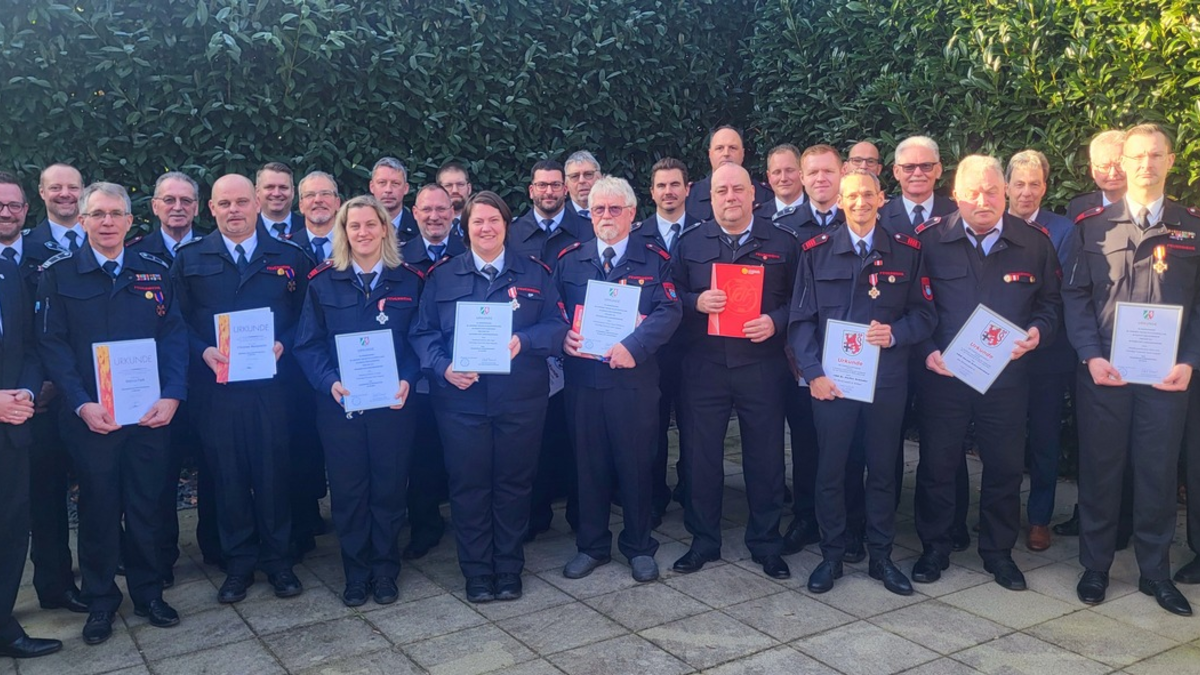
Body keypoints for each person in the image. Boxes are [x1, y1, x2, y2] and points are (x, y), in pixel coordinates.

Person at [36, 182, 188, 644]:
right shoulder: (59, 275)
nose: (106, 222)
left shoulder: (155, 270)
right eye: (97, 214)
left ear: (129, 221)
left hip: (148, 415)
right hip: (92, 419)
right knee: (99, 510)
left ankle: (148, 593)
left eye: (115, 214)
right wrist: (81, 403)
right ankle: (101, 601)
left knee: (147, 506)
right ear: (82, 221)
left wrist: (173, 394)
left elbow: (175, 336)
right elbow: (53, 345)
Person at [1064, 123, 1200, 616]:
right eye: (1138, 156)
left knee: (1158, 475)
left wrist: (1190, 361)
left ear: (1170, 161)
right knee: (1100, 472)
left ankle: (1155, 573)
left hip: (1167, 380)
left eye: (1155, 155)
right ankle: (1095, 567)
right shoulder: (1093, 226)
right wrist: (1090, 355)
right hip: (1105, 374)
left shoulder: (1192, 226)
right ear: (1123, 164)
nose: (1146, 164)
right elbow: (1075, 297)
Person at [912, 155, 1061, 592]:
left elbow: (1051, 304)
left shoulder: (1034, 243)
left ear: (1006, 193)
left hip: (1006, 380)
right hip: (944, 377)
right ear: (955, 195)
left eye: (992, 191)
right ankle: (935, 546)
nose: (983, 200)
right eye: (973, 192)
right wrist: (926, 351)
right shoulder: (928, 241)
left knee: (1005, 466)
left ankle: (998, 552)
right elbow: (912, 307)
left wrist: (1038, 332)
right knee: (937, 464)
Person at [411, 191, 568, 603]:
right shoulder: (443, 276)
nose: (486, 228)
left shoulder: (534, 273)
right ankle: (478, 571)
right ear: (465, 228)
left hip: (520, 399)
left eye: (494, 221)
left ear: (506, 226)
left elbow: (557, 327)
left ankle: (508, 568)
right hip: (461, 402)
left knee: (514, 484)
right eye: (478, 221)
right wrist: (444, 367)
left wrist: (524, 339)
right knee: (469, 486)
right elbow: (423, 333)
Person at [789, 169, 935, 595]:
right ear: (838, 200)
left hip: (885, 380)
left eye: (867, 195)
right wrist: (812, 374)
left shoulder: (906, 251)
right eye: (850, 196)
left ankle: (881, 557)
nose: (859, 203)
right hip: (831, 383)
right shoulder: (815, 251)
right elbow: (800, 322)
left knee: (883, 471)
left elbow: (925, 314)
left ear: (881, 199)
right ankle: (832, 556)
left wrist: (896, 334)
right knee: (831, 470)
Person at [172, 174, 311, 604]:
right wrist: (203, 351)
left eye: (242, 202)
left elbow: (306, 316)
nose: (234, 210)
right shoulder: (190, 258)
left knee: (274, 474)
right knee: (227, 477)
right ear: (211, 209)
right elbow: (175, 323)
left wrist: (284, 343)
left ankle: (279, 561)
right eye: (225, 203)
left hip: (273, 389)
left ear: (257, 205)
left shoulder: (289, 257)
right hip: (218, 390)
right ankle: (238, 564)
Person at [294, 195, 423, 606]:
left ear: (385, 229)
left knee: (388, 490)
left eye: (371, 225)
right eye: (354, 226)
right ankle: (356, 573)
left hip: (393, 407)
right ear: (343, 232)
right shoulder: (322, 281)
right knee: (349, 493)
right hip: (340, 408)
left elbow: (421, 341)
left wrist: (408, 378)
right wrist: (329, 381)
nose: (363, 233)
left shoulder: (409, 281)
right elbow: (307, 346)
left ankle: (385, 571)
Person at [671, 163, 798, 579]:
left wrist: (775, 321)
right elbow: (670, 296)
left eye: (738, 190)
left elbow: (800, 301)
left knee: (765, 458)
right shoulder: (690, 243)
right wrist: (695, 302)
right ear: (710, 198)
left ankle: (765, 542)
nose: (730, 197)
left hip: (761, 365)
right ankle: (703, 540)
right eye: (722, 190)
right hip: (704, 365)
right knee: (700, 457)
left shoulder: (783, 242)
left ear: (753, 195)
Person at [554, 176, 682, 583]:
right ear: (589, 216)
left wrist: (636, 345)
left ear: (631, 213)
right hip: (585, 384)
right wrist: (563, 337)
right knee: (587, 468)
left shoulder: (655, 257)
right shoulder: (570, 259)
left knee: (637, 466)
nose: (606, 217)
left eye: (614, 209)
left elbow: (670, 311)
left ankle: (640, 545)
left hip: (634, 384)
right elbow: (551, 311)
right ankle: (592, 546)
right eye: (598, 210)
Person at [128, 171, 217, 581]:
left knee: (214, 467)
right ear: (154, 206)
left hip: (208, 380)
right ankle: (159, 557)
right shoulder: (134, 253)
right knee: (157, 475)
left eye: (186, 200)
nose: (177, 207)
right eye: (169, 200)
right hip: (154, 386)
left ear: (198, 207)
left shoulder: (212, 250)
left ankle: (216, 547)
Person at [508, 160, 591, 541]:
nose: (549, 192)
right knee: (531, 439)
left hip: (578, 345)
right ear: (531, 190)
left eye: (556, 185)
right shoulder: (512, 234)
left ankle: (578, 514)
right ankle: (534, 514)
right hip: (527, 348)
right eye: (541, 185)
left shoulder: (586, 230)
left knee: (573, 435)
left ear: (566, 190)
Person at [0, 177, 61, 660]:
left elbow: (28, 346)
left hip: (14, 426)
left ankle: (4, 625)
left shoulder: (12, 275)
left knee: (11, 527)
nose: (7, 212)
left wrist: (22, 389)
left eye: (13, 206)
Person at [1004, 150, 1075, 552]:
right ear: (1007, 186)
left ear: (1045, 187)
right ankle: (1002, 510)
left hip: (1047, 352)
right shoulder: (993, 224)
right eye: (1019, 183)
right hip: (1000, 352)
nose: (1026, 192)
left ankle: (1039, 518)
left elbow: (1057, 293)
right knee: (1004, 436)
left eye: (1035, 184)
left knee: (1045, 438)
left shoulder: (1063, 231)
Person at [400, 184, 464, 559]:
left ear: (454, 212)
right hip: (415, 377)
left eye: (443, 209)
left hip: (460, 373)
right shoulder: (399, 257)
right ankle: (424, 526)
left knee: (458, 454)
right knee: (420, 456)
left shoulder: (467, 252)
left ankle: (466, 523)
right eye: (427, 210)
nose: (435, 216)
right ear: (415, 212)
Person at [282, 171, 343, 558]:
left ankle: (347, 520)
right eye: (310, 196)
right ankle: (303, 524)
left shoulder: (358, 237)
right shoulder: (285, 250)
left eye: (326, 194)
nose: (318, 201)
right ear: (299, 204)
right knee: (300, 447)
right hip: (295, 368)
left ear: (338, 201)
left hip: (351, 372)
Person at [635, 158, 698, 524]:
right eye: (661, 186)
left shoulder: (704, 232)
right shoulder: (638, 234)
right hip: (652, 350)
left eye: (675, 184)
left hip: (694, 346)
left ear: (687, 189)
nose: (668, 192)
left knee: (693, 425)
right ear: (652, 192)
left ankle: (691, 490)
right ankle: (654, 495)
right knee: (651, 426)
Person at [685, 126, 774, 221]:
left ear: (743, 154)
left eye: (733, 148)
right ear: (710, 154)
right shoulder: (689, 196)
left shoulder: (765, 195)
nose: (726, 153)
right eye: (719, 148)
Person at [879, 136, 955, 235]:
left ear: (938, 170)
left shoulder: (956, 214)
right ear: (897, 172)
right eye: (909, 167)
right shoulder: (880, 216)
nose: (918, 173)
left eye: (926, 166)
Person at [1066, 130, 1128, 220]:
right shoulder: (1078, 207)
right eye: (1104, 166)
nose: (1113, 173)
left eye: (1119, 165)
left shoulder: (1147, 205)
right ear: (1092, 170)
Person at [369, 157, 419, 241]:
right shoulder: (360, 228)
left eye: (395, 183)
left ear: (406, 188)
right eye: (382, 183)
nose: (388, 190)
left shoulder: (419, 228)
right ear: (372, 187)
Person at [255, 162, 303, 238]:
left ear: (292, 191)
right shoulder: (245, 230)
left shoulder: (308, 228)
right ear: (257, 192)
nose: (276, 193)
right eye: (269, 187)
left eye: (283, 187)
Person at [436, 160, 473, 237]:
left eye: (460, 184)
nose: (455, 190)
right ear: (438, 190)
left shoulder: (481, 223)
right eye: (448, 185)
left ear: (469, 189)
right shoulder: (429, 225)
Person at [564, 151, 602, 217]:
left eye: (588, 174)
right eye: (574, 176)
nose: (582, 181)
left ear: (600, 178)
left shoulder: (615, 213)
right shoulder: (558, 217)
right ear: (566, 185)